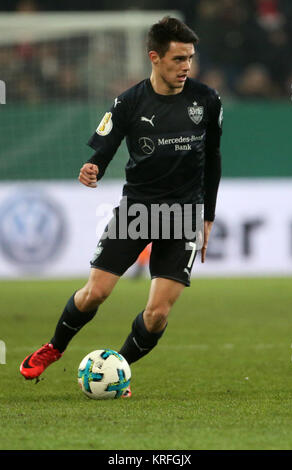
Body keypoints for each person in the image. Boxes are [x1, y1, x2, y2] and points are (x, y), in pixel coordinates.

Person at [20, 17, 223, 397]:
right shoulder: (128, 102)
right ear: (155, 57)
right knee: (94, 293)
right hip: (137, 211)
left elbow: (213, 158)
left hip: (183, 216)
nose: (186, 67)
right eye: (178, 59)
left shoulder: (206, 100)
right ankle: (54, 347)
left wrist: (207, 214)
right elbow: (105, 146)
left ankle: (119, 368)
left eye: (190, 59)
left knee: (158, 313)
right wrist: (92, 167)